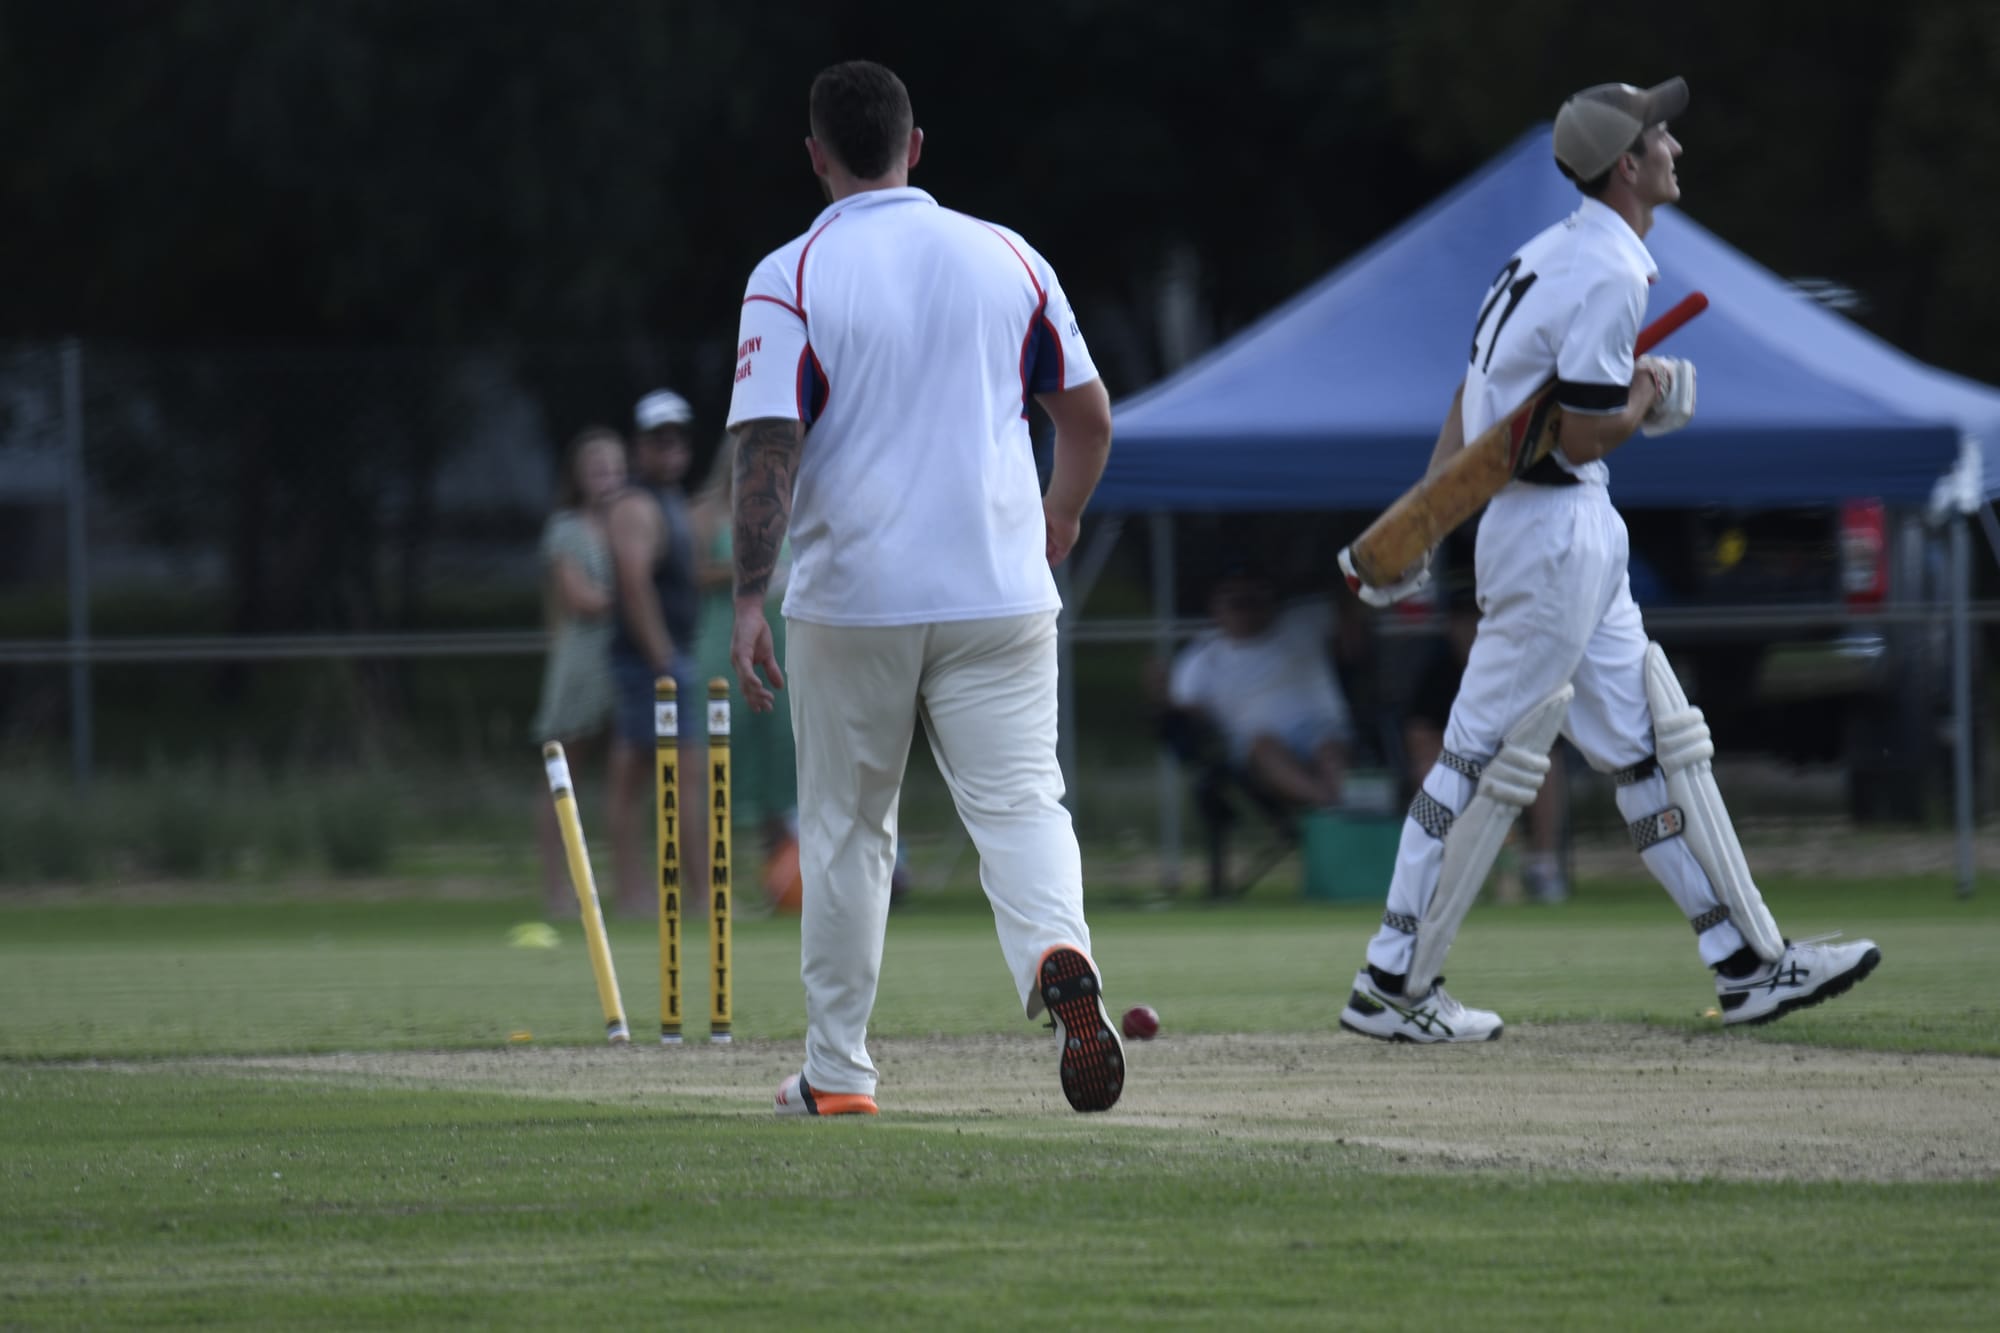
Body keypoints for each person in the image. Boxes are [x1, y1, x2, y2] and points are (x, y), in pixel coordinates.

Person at [1338, 78, 1879, 1043]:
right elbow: (1582, 434)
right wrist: (1651, 394)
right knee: (1477, 757)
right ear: (1626, 165)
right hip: (1553, 535)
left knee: (1654, 744)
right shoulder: (1610, 274)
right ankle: (1391, 982)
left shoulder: (1542, 256)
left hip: (1549, 530)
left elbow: (1475, 405)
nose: (1673, 144)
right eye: (1657, 134)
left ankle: (1747, 962)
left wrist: (1425, 521)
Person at [725, 60, 1119, 1116]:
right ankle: (1054, 954)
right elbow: (1085, 419)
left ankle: (839, 1072)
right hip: (999, 587)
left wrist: (748, 595)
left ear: (814, 156)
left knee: (847, 831)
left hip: (853, 597)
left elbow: (768, 443)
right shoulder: (1009, 256)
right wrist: (1060, 517)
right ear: (916, 144)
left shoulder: (789, 274)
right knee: (1020, 801)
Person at [1402, 580, 1568, 903]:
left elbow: (1546, 732)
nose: (1470, 629)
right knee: (1427, 770)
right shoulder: (1437, 674)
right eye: (1462, 620)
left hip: (1513, 767)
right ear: (1450, 625)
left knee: (1548, 763)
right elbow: (1418, 738)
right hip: (1457, 767)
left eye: (1477, 619)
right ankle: (1446, 870)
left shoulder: (1521, 671)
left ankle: (1543, 868)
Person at [605, 388, 703, 917]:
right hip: (652, 662)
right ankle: (685, 894)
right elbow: (634, 583)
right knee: (671, 776)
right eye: (658, 440)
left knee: (642, 775)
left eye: (677, 439)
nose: (670, 450)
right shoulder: (636, 504)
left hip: (663, 658)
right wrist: (662, 655)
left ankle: (644, 894)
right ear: (638, 446)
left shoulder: (671, 501)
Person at [691, 435, 799, 902]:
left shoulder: (792, 505)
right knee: (726, 754)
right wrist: (750, 575)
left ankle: (780, 879)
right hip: (725, 635)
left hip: (786, 637)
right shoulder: (706, 513)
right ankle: (716, 883)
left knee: (783, 755)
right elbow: (692, 574)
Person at [530, 427, 626, 916]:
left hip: (624, 658)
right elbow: (581, 599)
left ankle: (627, 886)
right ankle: (557, 890)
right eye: (596, 469)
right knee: (565, 770)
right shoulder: (567, 530)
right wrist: (638, 601)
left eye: (613, 468)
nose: (606, 478)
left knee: (626, 772)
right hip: (583, 663)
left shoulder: (631, 524)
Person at [1167, 563, 1352, 809]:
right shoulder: (1200, 659)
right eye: (1235, 601)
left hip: (1323, 729)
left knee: (1330, 752)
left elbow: (1354, 612)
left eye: (1253, 598)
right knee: (1264, 748)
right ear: (1215, 608)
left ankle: (1346, 814)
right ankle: (1328, 806)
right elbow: (1186, 716)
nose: (1245, 608)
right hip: (1257, 748)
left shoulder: (1305, 619)